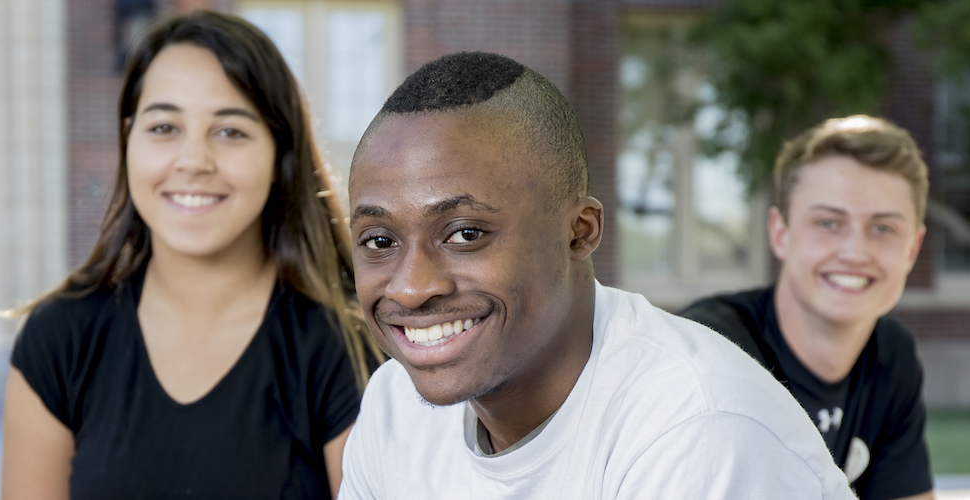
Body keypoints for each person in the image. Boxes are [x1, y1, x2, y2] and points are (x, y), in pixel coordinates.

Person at [336, 51, 852, 499]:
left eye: (466, 233)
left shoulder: (698, 428)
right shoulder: (395, 406)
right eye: (380, 242)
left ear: (579, 233)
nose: (411, 286)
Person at [0, 10, 381, 499]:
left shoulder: (345, 344)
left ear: (278, 157)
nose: (194, 162)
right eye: (164, 128)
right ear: (128, 140)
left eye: (230, 132)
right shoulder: (59, 340)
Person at [676, 115, 935, 500]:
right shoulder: (712, 350)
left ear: (912, 249)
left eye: (883, 228)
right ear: (780, 234)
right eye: (828, 223)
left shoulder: (891, 357)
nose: (855, 252)